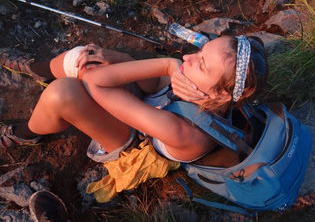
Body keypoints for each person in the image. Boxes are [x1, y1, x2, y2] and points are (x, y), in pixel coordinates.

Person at [0, 35, 267, 167]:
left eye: (202, 63)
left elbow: (96, 84)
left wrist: (166, 65)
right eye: (200, 51)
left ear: (220, 94)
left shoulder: (186, 131)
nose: (187, 58)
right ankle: (38, 69)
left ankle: (23, 135)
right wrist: (119, 59)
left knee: (65, 92)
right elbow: (152, 86)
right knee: (86, 56)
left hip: (131, 140)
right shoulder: (201, 89)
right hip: (145, 108)